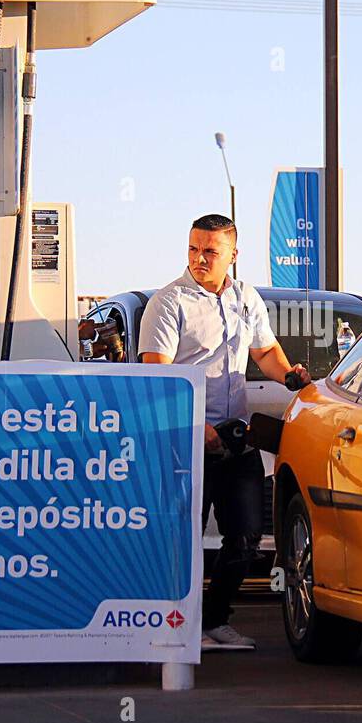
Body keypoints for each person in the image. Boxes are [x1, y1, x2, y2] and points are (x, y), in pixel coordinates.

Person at [139, 214, 311, 650]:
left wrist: (291, 378)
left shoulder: (245, 298)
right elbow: (155, 373)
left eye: (210, 251)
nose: (200, 258)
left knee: (248, 535)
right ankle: (177, 625)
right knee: (184, 536)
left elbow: (265, 349)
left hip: (237, 440)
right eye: (194, 249)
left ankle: (215, 621)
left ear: (234, 254)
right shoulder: (169, 302)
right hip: (187, 438)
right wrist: (198, 428)